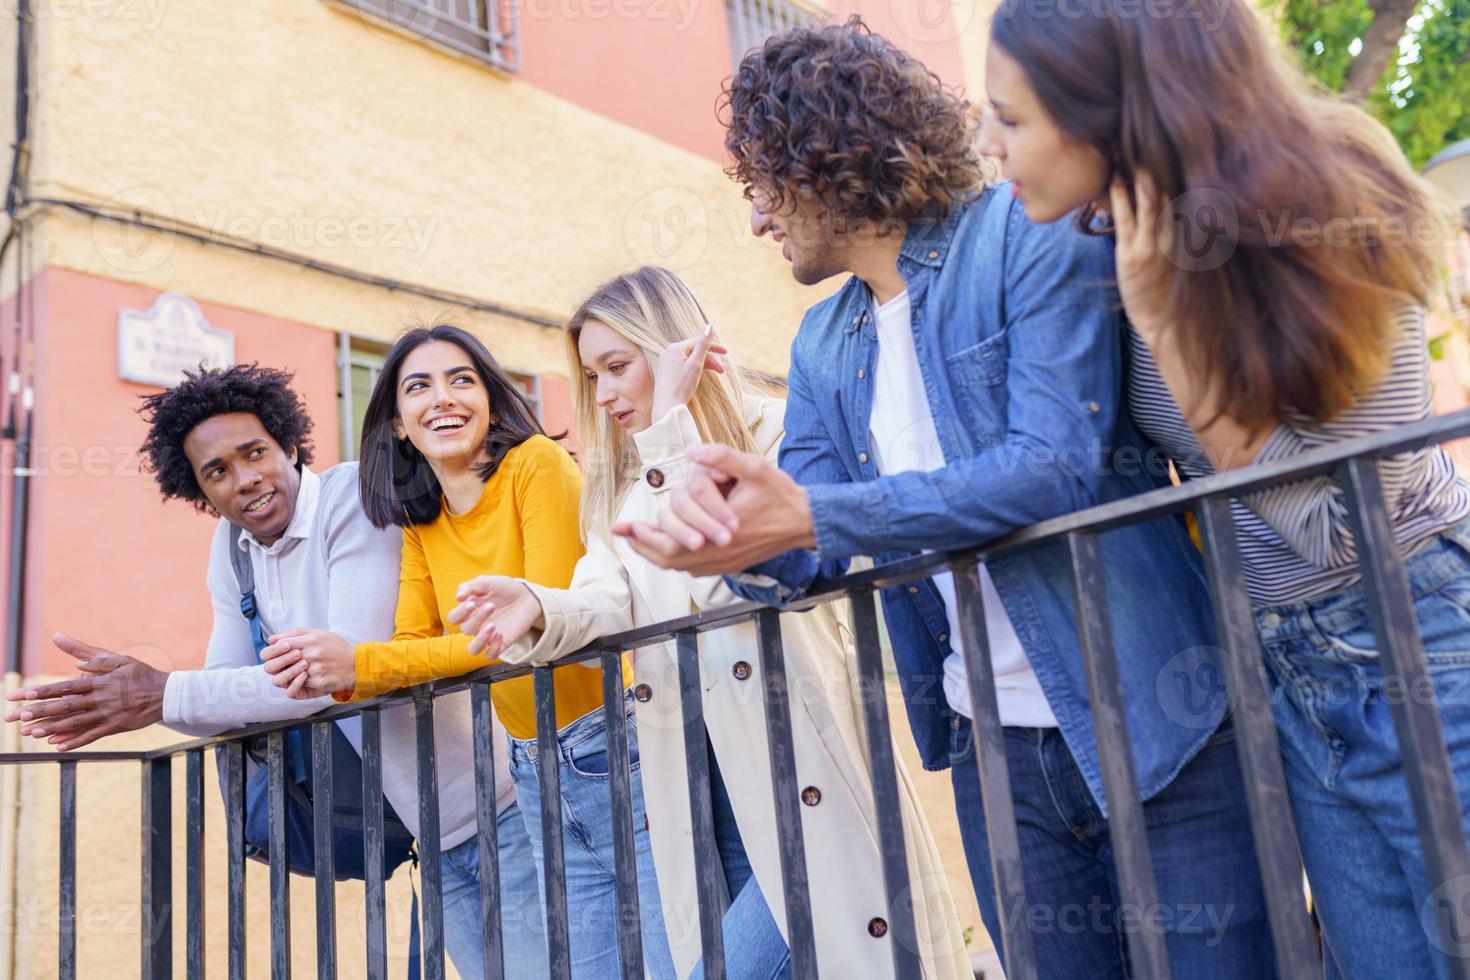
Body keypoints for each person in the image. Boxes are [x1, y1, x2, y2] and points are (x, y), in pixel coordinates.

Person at [615, 20, 1275, 978]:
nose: (757, 221)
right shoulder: (822, 345)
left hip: (1152, 711)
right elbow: (811, 545)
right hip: (993, 754)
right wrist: (727, 532)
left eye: (761, 187)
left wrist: (808, 515)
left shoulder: (1024, 233)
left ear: (821, 155)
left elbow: (1051, 465)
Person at [977, 0, 1470, 975]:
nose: (990, 148)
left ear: (1112, 114)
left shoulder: (1341, 190)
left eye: (1013, 118)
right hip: (1285, 667)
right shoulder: (1104, 237)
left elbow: (1338, 528)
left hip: (1415, 633)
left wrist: (1166, 324)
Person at [448, 266, 973, 979]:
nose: (602, 395)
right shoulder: (621, 489)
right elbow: (606, 597)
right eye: (590, 375)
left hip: (791, 761)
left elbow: (731, 558)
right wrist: (539, 605)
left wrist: (672, 430)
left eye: (616, 367)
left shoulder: (782, 433)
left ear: (671, 351)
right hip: (692, 778)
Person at [1, 363, 548, 978]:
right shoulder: (233, 553)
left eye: (254, 452)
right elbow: (224, 699)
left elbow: (347, 669)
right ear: (200, 492)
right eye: (217, 472)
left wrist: (161, 695)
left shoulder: (354, 501)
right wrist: (147, 699)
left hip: (503, 808)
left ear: (289, 444)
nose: (245, 480)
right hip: (432, 832)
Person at [260, 324, 675, 977]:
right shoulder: (425, 522)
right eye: (418, 387)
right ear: (397, 423)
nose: (443, 399)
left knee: (674, 956)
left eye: (462, 380)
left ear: (489, 397)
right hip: (532, 765)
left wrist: (358, 664)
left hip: (615, 744)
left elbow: (540, 631)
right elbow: (416, 645)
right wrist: (353, 663)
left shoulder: (535, 465)